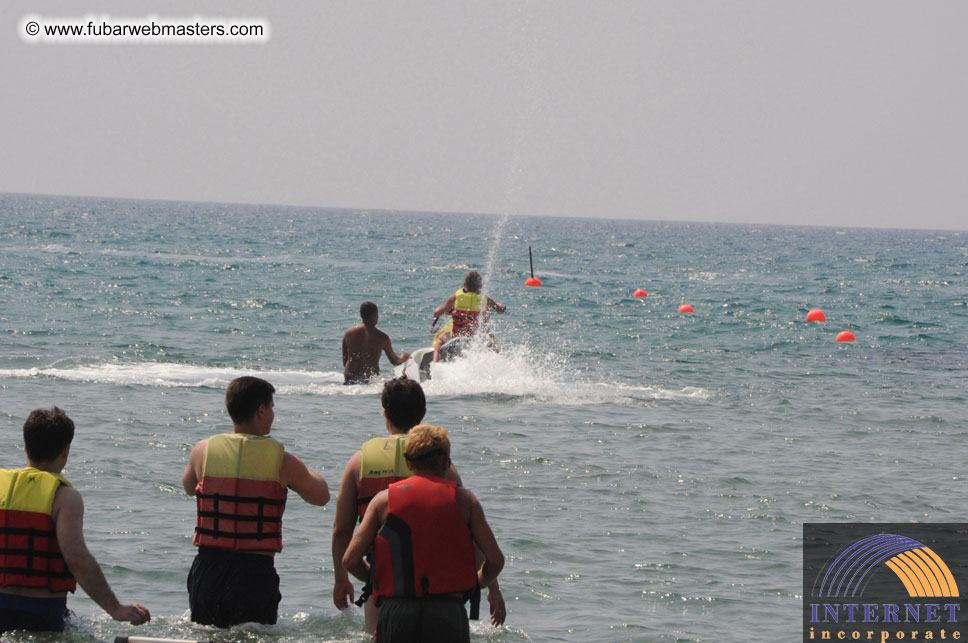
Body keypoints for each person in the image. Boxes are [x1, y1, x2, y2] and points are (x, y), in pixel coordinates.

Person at [331, 377, 505, 634]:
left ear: (385, 414)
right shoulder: (448, 472)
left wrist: (342, 579)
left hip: (388, 588)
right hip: (444, 594)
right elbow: (472, 538)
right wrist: (491, 587)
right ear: (423, 414)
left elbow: (342, 531)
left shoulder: (360, 462)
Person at [182, 376, 330, 627]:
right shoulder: (282, 460)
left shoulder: (202, 451)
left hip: (208, 568)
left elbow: (188, 487)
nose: (273, 413)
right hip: (254, 572)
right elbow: (321, 496)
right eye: (272, 407)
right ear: (261, 410)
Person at [0, 407, 150, 633]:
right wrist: (115, 608)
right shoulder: (64, 497)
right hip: (40, 612)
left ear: (25, 446)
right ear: (66, 451)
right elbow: (75, 556)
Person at [432, 271, 506, 362]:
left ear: (465, 284)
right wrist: (501, 305)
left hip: (456, 336)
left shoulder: (455, 298)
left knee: (439, 340)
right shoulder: (485, 299)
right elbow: (500, 310)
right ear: (480, 286)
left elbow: (436, 313)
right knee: (494, 348)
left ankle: (435, 365)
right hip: (475, 338)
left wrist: (444, 309)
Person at [342, 301, 411, 385]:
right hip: (369, 380)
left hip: (349, 378)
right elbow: (394, 361)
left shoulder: (348, 333)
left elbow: (345, 361)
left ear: (361, 315)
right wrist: (403, 358)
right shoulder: (382, 337)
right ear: (375, 316)